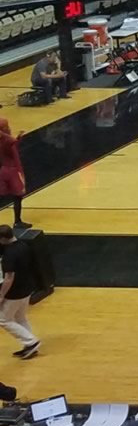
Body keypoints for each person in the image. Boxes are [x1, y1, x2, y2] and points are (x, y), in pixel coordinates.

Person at [0, 225, 39, 359]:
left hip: (14, 292)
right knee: (20, 318)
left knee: (3, 320)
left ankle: (31, 342)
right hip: (27, 287)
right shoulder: (24, 245)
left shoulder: (9, 254)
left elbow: (9, 278)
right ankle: (29, 345)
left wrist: (1, 295)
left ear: (3, 238)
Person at [0, 119, 26, 229]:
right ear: (4, 128)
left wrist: (18, 139)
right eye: (7, 126)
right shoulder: (9, 140)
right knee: (18, 196)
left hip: (3, 169)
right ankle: (17, 221)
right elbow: (15, 158)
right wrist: (21, 175)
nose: (9, 128)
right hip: (13, 171)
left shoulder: (5, 140)